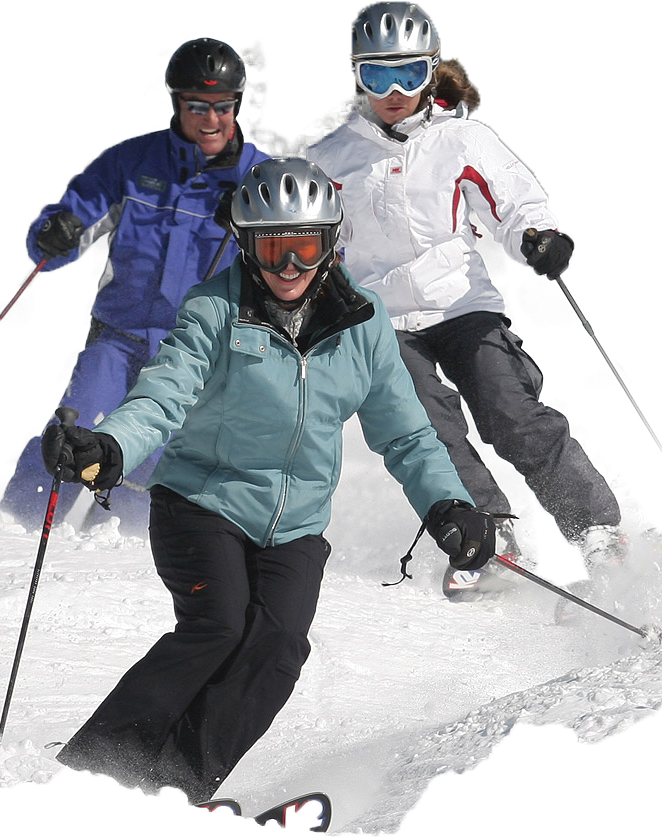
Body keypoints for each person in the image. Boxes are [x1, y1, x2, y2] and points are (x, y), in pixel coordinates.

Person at [35, 157, 497, 803]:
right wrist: (111, 445)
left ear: (330, 243)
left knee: (278, 648)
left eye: (304, 246)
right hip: (202, 503)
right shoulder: (215, 308)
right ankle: (100, 766)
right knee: (219, 625)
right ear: (247, 245)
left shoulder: (363, 324)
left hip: (296, 525)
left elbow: (407, 435)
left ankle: (179, 784)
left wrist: (449, 503)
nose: (289, 267)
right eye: (273, 248)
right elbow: (164, 395)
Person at [305, 1, 628, 602]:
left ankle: (596, 528)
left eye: (409, 74)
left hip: (463, 304)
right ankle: (489, 533)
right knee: (427, 429)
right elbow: (320, 242)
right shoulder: (331, 160)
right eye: (378, 75)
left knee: (511, 411)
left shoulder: (460, 140)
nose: (395, 92)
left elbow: (513, 205)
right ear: (356, 74)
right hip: (384, 320)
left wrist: (537, 237)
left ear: (431, 72)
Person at [0, 37, 269, 536]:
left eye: (222, 106)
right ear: (176, 102)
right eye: (197, 106)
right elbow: (73, 222)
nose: (211, 119)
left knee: (153, 455)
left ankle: (121, 547)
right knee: (72, 431)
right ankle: (17, 528)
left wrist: (251, 227)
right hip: (119, 337)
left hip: (195, 354)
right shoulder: (131, 162)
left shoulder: (259, 177)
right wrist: (57, 233)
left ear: (237, 104)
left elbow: (295, 263)